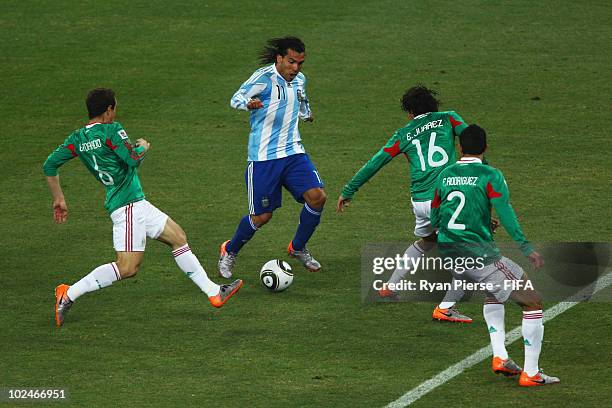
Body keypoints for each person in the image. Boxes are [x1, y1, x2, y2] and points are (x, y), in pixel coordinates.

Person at [44, 88, 242, 327]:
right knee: (127, 268)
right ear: (108, 110)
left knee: (178, 237)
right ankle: (69, 293)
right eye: (114, 108)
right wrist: (143, 146)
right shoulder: (111, 130)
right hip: (127, 207)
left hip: (137, 204)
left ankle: (214, 292)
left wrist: (59, 198)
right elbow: (133, 159)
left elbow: (50, 165)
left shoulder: (77, 139)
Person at [430, 124, 559, 386]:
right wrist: (526, 248)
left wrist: (479, 223)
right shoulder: (490, 175)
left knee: (493, 293)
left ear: (459, 148)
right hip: (478, 254)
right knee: (532, 301)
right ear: (485, 148)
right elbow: (507, 213)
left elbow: (436, 217)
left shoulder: (444, 175)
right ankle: (531, 374)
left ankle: (500, 356)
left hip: (449, 252)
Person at [337, 85, 472, 323]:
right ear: (434, 105)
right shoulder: (449, 118)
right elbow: (471, 141)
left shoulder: (403, 134)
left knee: (427, 242)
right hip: (443, 199)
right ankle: (446, 308)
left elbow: (375, 162)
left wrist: (349, 190)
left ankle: (389, 288)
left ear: (410, 112)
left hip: (420, 201)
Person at [219, 36, 326, 277]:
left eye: (300, 63)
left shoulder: (300, 80)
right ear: (279, 58)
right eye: (291, 62)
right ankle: (230, 250)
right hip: (264, 158)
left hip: (293, 153)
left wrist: (306, 114)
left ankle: (298, 247)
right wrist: (249, 104)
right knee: (261, 216)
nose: (296, 68)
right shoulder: (263, 78)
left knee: (317, 197)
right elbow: (235, 98)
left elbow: (301, 101)